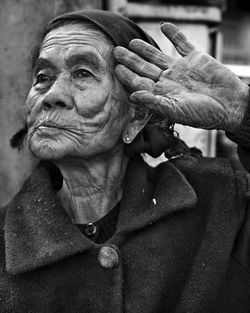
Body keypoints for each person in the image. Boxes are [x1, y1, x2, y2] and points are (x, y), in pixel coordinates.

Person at [1, 9, 250, 313]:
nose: (52, 95)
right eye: (43, 77)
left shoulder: (222, 203)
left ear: (135, 116)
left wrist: (243, 113)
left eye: (82, 73)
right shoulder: (5, 241)